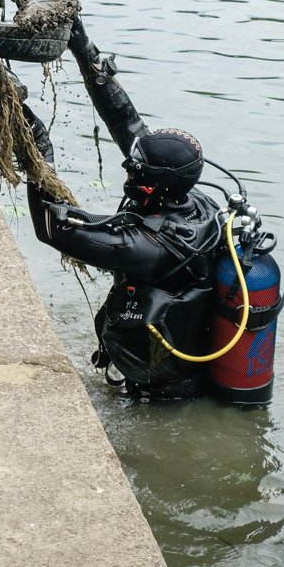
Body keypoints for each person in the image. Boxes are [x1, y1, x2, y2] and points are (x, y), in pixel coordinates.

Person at [24, 23, 229, 400]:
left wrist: (39, 152)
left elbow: (52, 229)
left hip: (163, 394)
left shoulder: (150, 247)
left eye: (136, 168)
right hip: (177, 360)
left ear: (156, 182)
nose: (127, 168)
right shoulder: (193, 199)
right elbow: (127, 123)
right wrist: (83, 47)